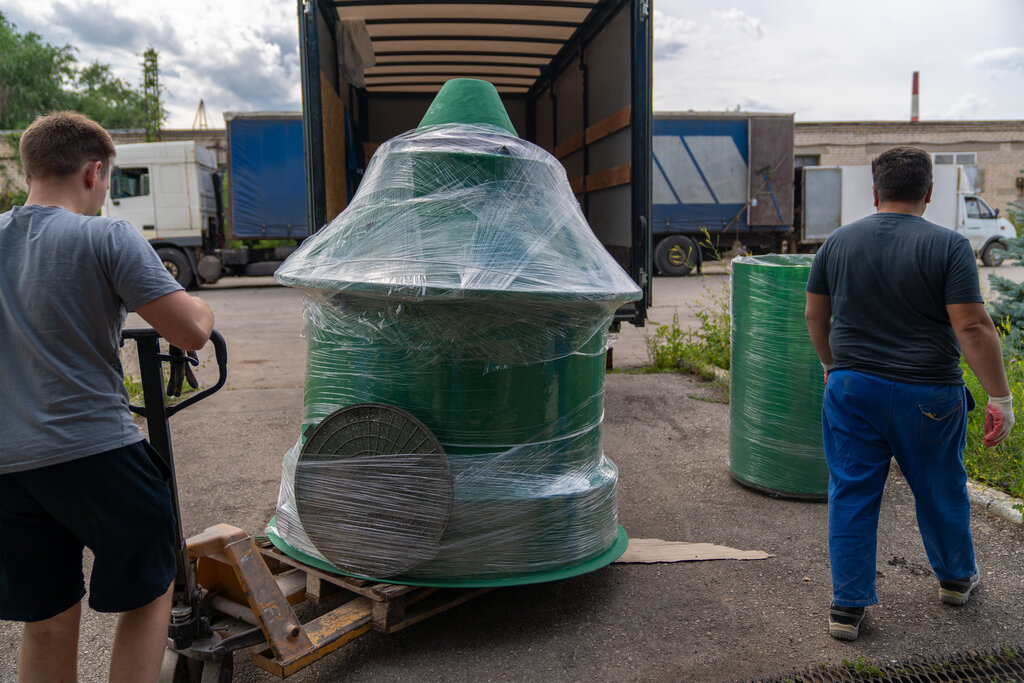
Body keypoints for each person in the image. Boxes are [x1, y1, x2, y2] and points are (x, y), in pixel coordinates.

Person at [0, 112, 214, 682]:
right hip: (95, 451)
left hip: (9, 465)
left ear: (29, 171)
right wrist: (200, 305)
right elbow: (190, 331)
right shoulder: (105, 236)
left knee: (47, 618)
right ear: (94, 173)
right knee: (152, 586)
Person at [804, 146, 1014, 642]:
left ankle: (847, 608)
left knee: (852, 492)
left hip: (853, 389)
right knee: (940, 487)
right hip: (929, 395)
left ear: (875, 191)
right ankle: (956, 580)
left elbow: (815, 314)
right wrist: (1000, 398)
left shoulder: (837, 242)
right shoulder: (949, 246)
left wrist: (832, 367)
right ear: (929, 192)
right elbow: (972, 326)